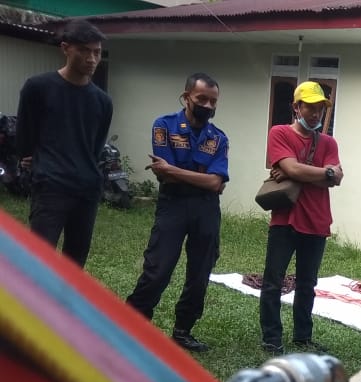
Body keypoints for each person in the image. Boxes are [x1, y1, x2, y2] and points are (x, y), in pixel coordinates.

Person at [125, 73, 228, 353]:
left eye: (213, 101)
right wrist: (197, 177)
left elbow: (216, 183)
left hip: (206, 209)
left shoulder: (218, 138)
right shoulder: (164, 126)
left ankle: (183, 331)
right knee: (158, 268)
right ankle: (132, 325)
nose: (208, 105)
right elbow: (164, 176)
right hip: (173, 205)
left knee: (200, 273)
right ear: (186, 97)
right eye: (202, 99)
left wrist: (173, 170)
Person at [16, 20, 113, 268]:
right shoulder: (38, 87)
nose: (92, 58)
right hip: (51, 187)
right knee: (39, 261)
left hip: (87, 190)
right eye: (84, 50)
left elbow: (95, 146)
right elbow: (25, 135)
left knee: (74, 264)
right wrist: (36, 161)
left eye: (97, 52)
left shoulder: (103, 102)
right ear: (65, 48)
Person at [259, 81, 343, 354]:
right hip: (285, 219)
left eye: (320, 108)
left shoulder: (328, 142)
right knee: (273, 280)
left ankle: (303, 336)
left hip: (317, 221)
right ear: (296, 107)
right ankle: (271, 337)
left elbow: (335, 178)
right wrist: (322, 172)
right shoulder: (279, 133)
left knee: (308, 283)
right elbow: (299, 170)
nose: (316, 114)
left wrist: (296, 171)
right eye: (310, 107)